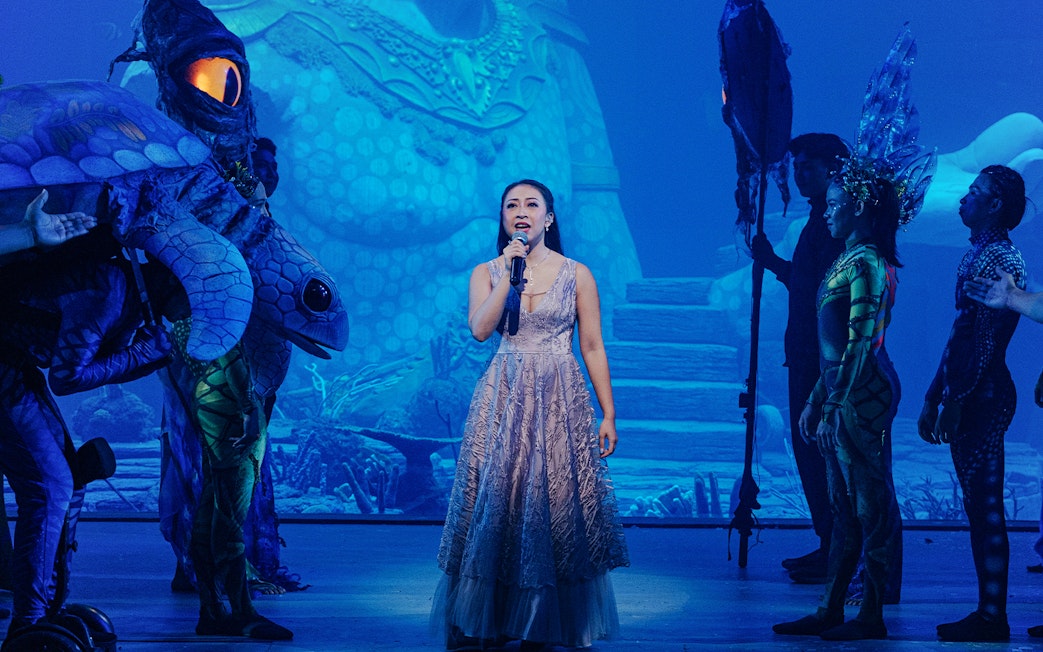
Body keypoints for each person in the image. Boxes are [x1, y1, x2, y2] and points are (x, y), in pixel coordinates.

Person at [433, 180, 629, 650]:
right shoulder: (486, 271)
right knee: (496, 504)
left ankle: (542, 621)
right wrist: (509, 272)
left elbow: (592, 345)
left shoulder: (578, 274)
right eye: (511, 205)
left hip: (559, 396)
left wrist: (608, 413)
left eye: (531, 204)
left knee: (552, 505)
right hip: (504, 395)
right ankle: (486, 619)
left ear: (549, 217)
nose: (521, 212)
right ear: (503, 218)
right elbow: (480, 330)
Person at [772, 164, 904, 641]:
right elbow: (833, 351)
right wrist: (817, 398)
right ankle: (830, 607)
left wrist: (832, 403)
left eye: (834, 205)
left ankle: (871, 613)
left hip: (863, 394)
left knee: (869, 504)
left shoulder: (867, 263)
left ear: (860, 208)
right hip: (842, 391)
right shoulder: (847, 259)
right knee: (842, 505)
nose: (826, 213)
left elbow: (861, 342)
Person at [919, 165, 1028, 642]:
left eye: (974, 191)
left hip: (983, 395)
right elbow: (959, 334)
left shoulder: (999, 259)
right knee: (977, 506)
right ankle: (988, 611)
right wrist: (934, 394)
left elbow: (984, 340)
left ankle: (992, 615)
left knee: (985, 506)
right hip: (971, 391)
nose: (964, 198)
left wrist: (956, 398)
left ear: (995, 205)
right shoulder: (979, 254)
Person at [752, 133, 848, 582]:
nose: (800, 174)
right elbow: (808, 283)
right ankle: (829, 541)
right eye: (797, 167)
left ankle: (839, 547)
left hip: (825, 356)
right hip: (807, 351)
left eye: (809, 166)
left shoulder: (837, 222)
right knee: (809, 450)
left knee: (824, 451)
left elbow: (830, 290)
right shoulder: (817, 218)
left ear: (833, 169)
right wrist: (772, 262)